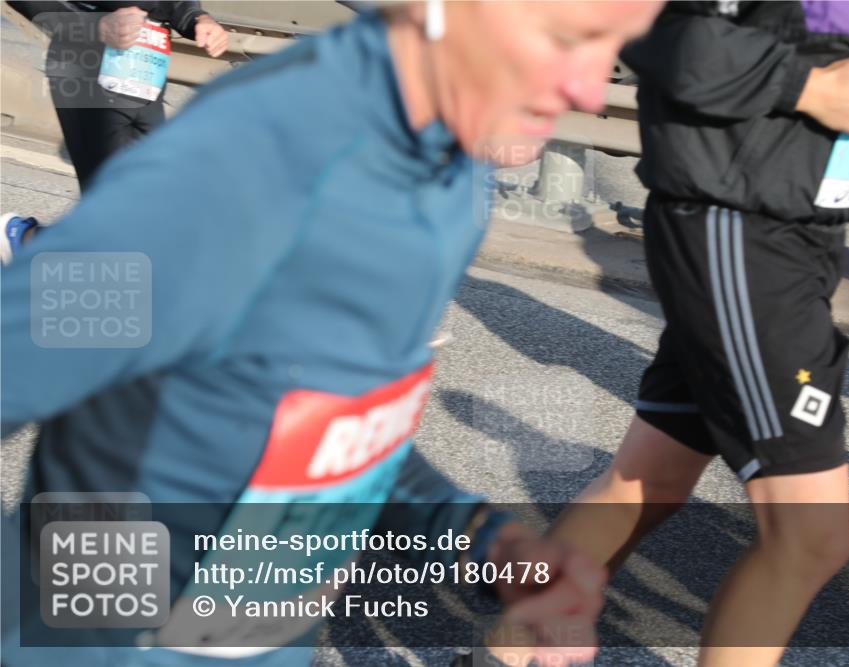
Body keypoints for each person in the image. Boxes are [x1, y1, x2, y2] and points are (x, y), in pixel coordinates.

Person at [0, 2, 662, 667]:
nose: (585, 87)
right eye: (565, 39)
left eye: (615, 47)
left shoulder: (451, 173)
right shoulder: (247, 165)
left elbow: (330, 421)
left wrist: (475, 534)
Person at [546, 1, 849, 666]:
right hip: (738, 219)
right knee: (811, 539)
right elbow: (647, 26)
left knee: (648, 480)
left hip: (803, 232)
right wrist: (811, 88)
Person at [1, 1, 228, 263]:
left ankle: (25, 242)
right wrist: (94, 26)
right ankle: (20, 239)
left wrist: (197, 18)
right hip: (87, 65)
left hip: (146, 71)